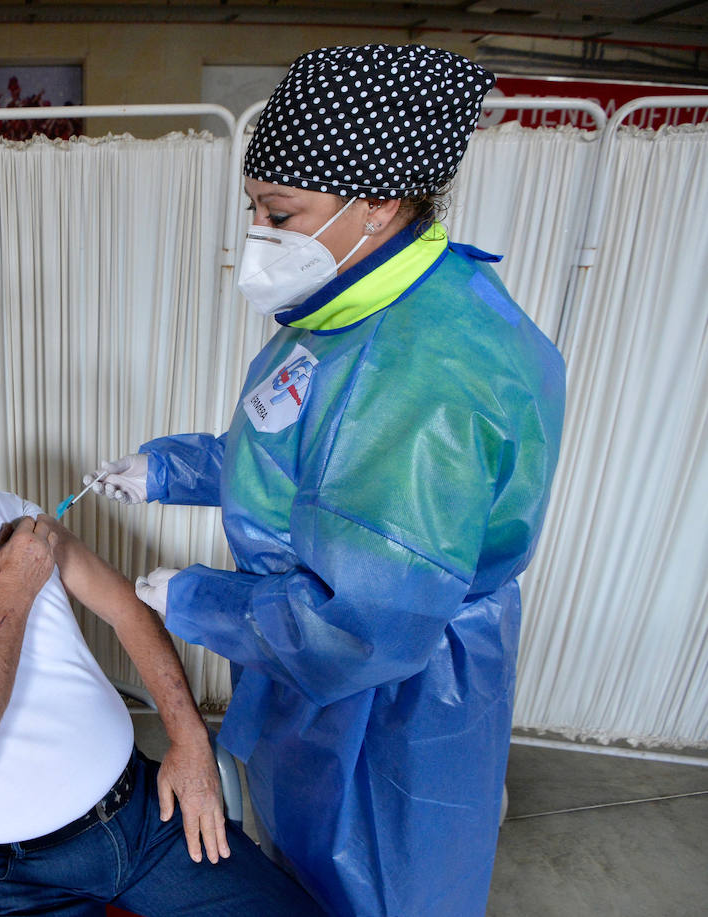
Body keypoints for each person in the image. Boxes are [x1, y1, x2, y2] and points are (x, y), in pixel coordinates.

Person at [85, 45, 566, 917]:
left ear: (378, 201)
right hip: (306, 673)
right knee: (299, 871)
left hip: (385, 700)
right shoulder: (344, 311)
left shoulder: (428, 372)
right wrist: (166, 467)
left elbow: (365, 627)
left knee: (378, 887)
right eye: (256, 210)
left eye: (280, 211)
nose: (261, 236)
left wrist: (196, 599)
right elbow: (292, 454)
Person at [0, 411, 323, 917]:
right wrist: (13, 592)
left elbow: (125, 609)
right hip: (11, 877)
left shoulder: (11, 515)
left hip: (144, 814)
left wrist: (191, 742)